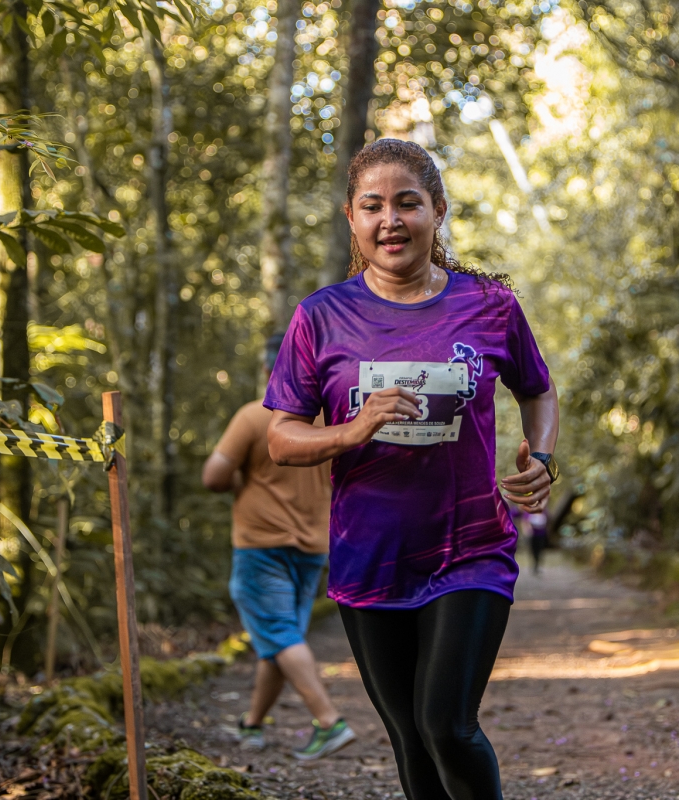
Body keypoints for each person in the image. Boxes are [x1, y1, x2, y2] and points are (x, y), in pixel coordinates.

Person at [264, 138, 559, 800]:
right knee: (409, 737)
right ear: (351, 218)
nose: (390, 220)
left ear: (438, 211)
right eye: (373, 206)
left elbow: (538, 391)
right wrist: (353, 428)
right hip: (369, 556)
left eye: (407, 203)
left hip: (471, 547)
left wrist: (540, 456)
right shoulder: (321, 316)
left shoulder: (489, 304)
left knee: (446, 726)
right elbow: (281, 438)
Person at [202, 334, 357, 759]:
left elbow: (213, 477)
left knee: (280, 635)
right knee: (280, 641)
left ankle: (329, 721)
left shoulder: (256, 416)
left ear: (270, 369)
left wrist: (241, 478)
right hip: (313, 546)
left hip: (261, 545)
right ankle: (253, 724)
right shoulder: (335, 421)